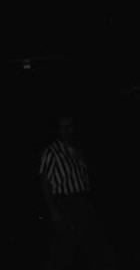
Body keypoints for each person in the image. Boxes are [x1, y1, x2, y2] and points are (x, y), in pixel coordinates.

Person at [39, 114, 117, 270]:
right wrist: (53, 210)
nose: (69, 130)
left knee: (95, 245)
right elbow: (44, 182)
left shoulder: (78, 152)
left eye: (70, 126)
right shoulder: (51, 152)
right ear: (58, 130)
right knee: (64, 249)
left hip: (84, 201)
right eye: (64, 127)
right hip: (66, 203)